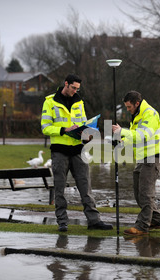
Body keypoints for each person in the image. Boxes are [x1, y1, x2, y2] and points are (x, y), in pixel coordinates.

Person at [41, 74, 113, 232]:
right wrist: (64, 129)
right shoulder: (49, 102)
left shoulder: (79, 102)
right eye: (73, 87)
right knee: (59, 188)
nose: (75, 91)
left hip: (78, 150)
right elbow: (45, 127)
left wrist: (87, 134)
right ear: (65, 84)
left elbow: (84, 123)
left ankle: (94, 221)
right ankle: (62, 222)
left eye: (77, 88)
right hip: (60, 151)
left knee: (86, 187)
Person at [112, 91, 160, 235]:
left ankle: (142, 226)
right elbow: (134, 138)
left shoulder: (149, 114)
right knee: (138, 191)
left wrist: (123, 130)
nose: (127, 110)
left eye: (129, 107)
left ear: (137, 103)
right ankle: (157, 219)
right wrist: (121, 140)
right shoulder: (137, 115)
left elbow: (143, 135)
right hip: (142, 158)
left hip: (151, 158)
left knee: (146, 194)